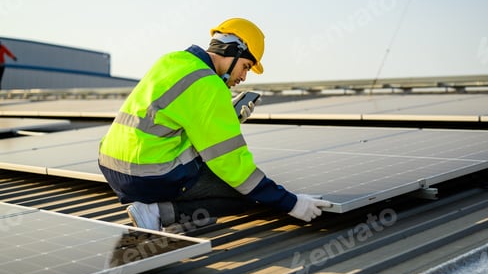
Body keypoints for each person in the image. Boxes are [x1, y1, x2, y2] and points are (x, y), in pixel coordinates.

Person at [98, 18, 331, 232]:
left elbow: (177, 116)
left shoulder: (173, 60)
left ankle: (169, 210)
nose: (243, 78)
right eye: (246, 67)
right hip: (148, 177)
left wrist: (226, 114)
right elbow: (231, 164)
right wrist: (292, 203)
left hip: (112, 168)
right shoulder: (210, 86)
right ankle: (156, 212)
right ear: (233, 50)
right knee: (243, 192)